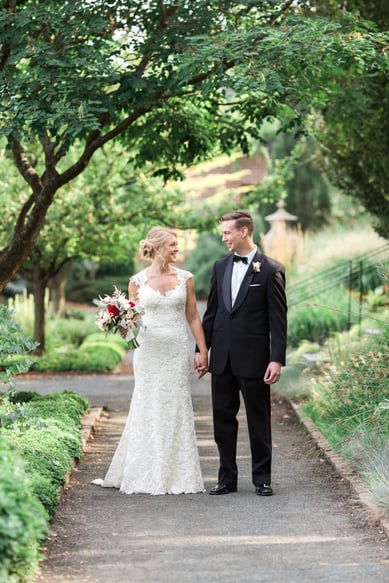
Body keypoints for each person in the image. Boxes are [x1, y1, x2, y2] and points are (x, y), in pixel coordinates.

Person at [92, 226, 208, 495]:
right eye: (172, 245)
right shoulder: (137, 281)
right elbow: (132, 321)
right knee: (148, 404)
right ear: (157, 248)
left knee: (175, 404)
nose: (177, 249)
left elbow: (192, 316)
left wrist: (202, 351)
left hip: (176, 350)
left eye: (177, 244)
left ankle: (178, 474)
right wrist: (122, 327)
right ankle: (143, 470)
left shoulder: (186, 278)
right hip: (148, 352)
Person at [195, 210, 287, 496]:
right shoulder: (220, 267)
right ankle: (227, 479)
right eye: (223, 233)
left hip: (255, 360)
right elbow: (211, 314)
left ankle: (262, 478)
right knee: (222, 419)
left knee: (258, 420)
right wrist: (201, 350)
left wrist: (276, 358)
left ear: (244, 231)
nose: (224, 238)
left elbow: (278, 319)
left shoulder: (271, 269)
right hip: (221, 359)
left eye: (227, 233)